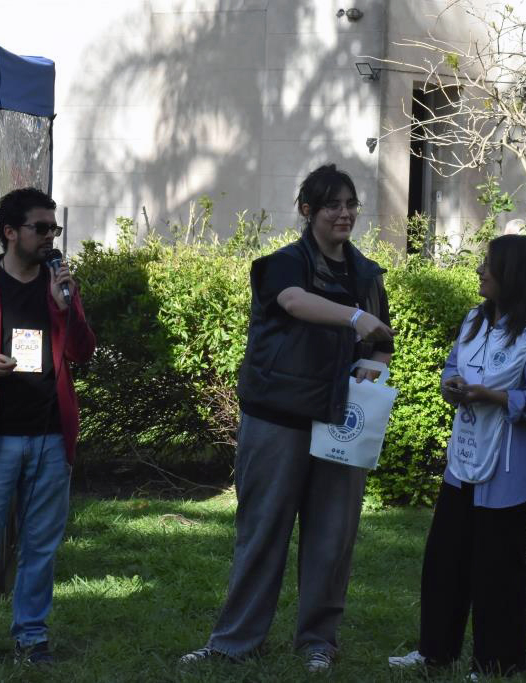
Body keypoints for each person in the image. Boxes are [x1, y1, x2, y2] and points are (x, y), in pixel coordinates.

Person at [180, 164, 395, 673]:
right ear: (307, 211)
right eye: (331, 205)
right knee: (262, 532)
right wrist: (353, 317)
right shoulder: (281, 264)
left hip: (340, 423)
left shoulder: (366, 273)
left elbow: (381, 340)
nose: (344, 214)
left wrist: (372, 361)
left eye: (350, 205)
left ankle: (318, 641)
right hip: (276, 418)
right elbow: (295, 303)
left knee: (332, 537)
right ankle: (234, 642)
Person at [389, 234, 526, 678]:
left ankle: (497, 663)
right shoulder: (473, 320)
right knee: (445, 560)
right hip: (464, 462)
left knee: (497, 569)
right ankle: (435, 651)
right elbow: (454, 365)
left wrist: (495, 396)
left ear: (513, 275)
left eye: (488, 265)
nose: (480, 271)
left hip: (509, 474)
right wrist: (451, 385)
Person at [0, 187, 96, 669]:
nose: (51, 237)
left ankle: (32, 638)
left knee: (40, 546)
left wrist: (64, 307)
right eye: (41, 228)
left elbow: (83, 353)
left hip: (50, 437)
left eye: (55, 228)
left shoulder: (61, 285)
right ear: (11, 232)